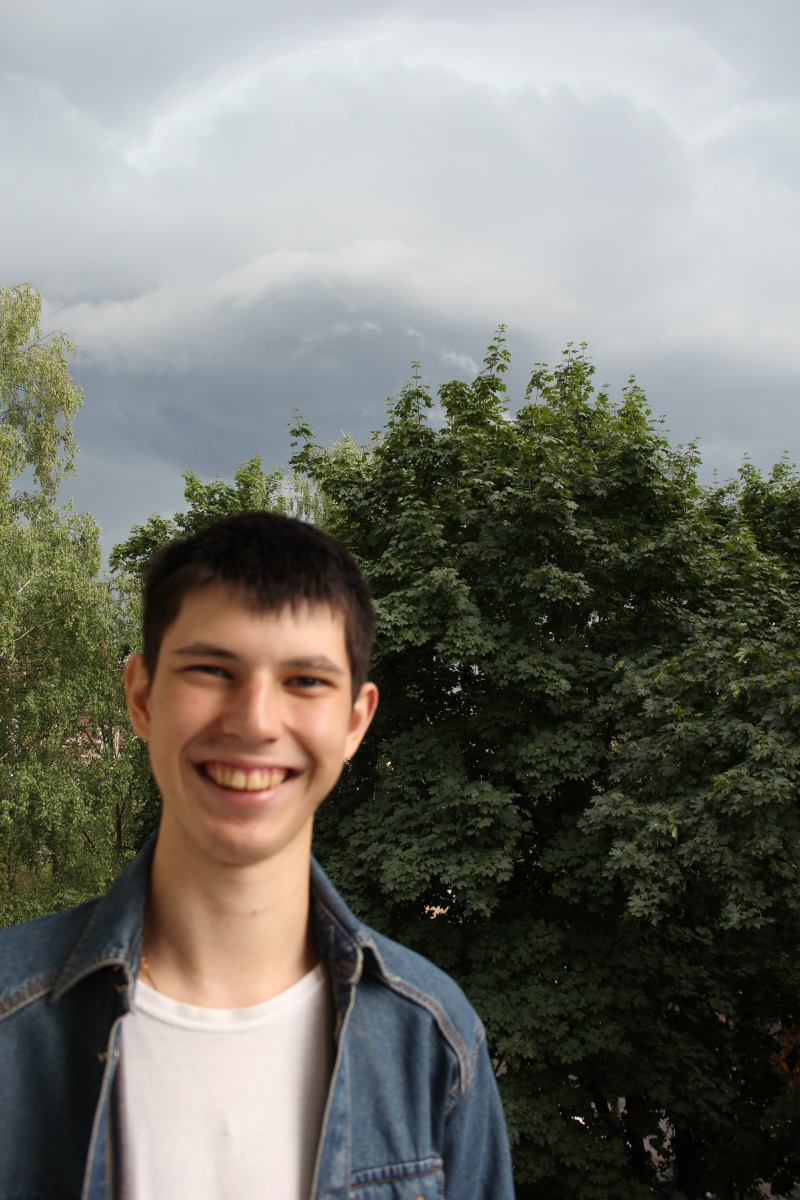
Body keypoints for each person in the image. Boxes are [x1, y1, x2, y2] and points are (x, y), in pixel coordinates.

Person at [0, 512, 515, 1199]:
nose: (254, 722)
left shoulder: (432, 1042)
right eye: (212, 670)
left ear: (355, 721)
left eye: (305, 681)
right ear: (143, 697)